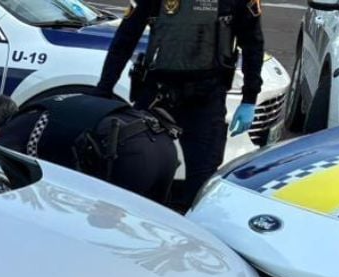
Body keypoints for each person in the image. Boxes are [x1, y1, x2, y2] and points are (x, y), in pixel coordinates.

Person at [96, 0, 262, 207]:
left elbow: (252, 44)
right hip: (157, 94)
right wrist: (103, 89)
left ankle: (191, 230)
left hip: (205, 98)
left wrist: (249, 98)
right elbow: (125, 38)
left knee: (201, 183)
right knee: (136, 169)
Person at [0, 92, 181, 203]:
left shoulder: (11, 134)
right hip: (163, 143)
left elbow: (3, 188)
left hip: (131, 156)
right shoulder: (42, 109)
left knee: (113, 237)